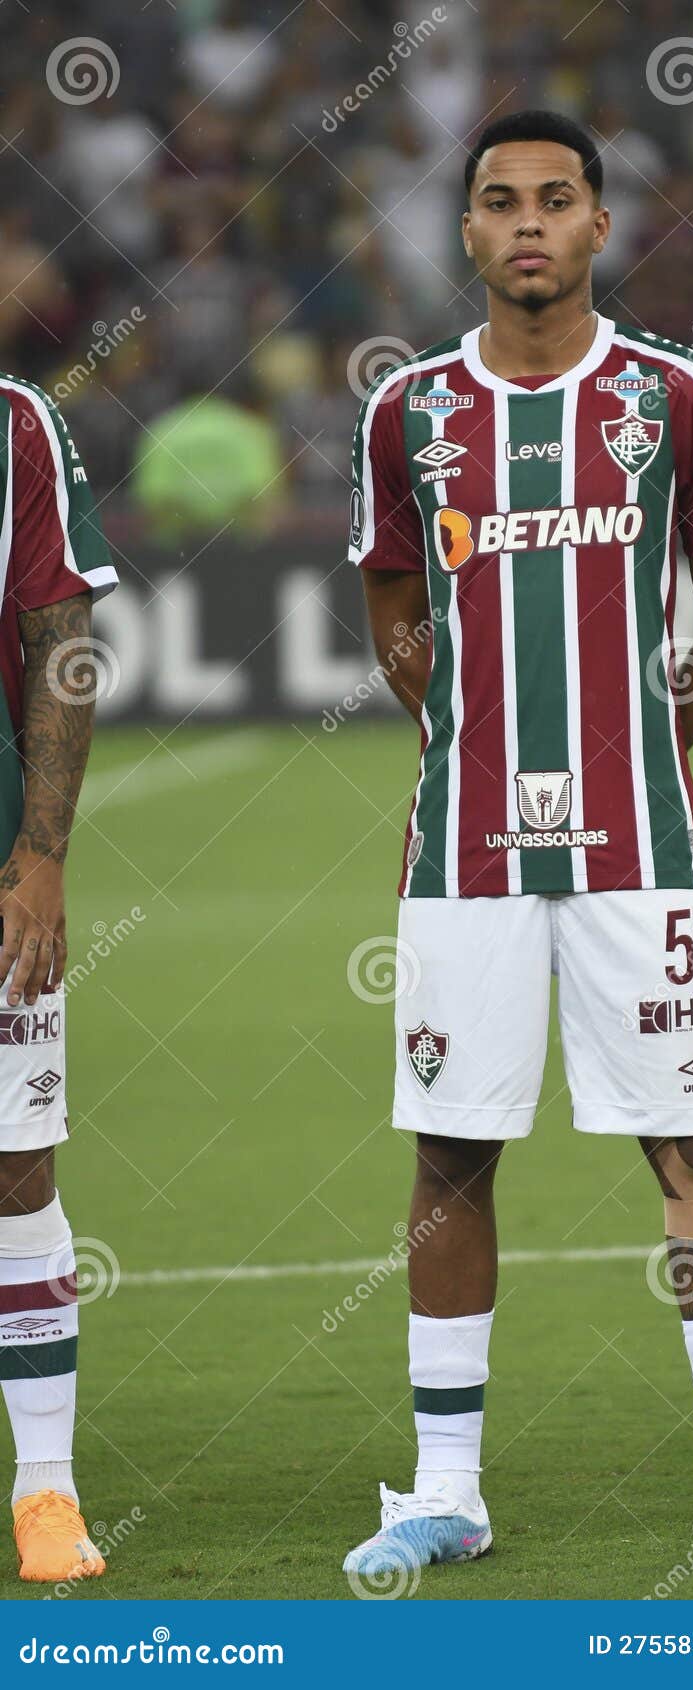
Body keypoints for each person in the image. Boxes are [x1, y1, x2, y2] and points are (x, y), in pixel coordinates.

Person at [344, 110, 693, 1582]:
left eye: (558, 200)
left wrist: (650, 740)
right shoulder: (408, 413)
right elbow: (392, 611)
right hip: (459, 863)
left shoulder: (671, 395)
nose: (529, 223)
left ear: (600, 227)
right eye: (500, 202)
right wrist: (467, 736)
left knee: (690, 1145)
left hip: (640, 852)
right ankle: (441, 1490)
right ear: (468, 231)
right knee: (448, 1157)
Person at [0, 376, 118, 1581]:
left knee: (14, 1169)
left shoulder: (15, 424)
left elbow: (61, 642)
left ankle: (45, 1492)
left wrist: (41, 851)